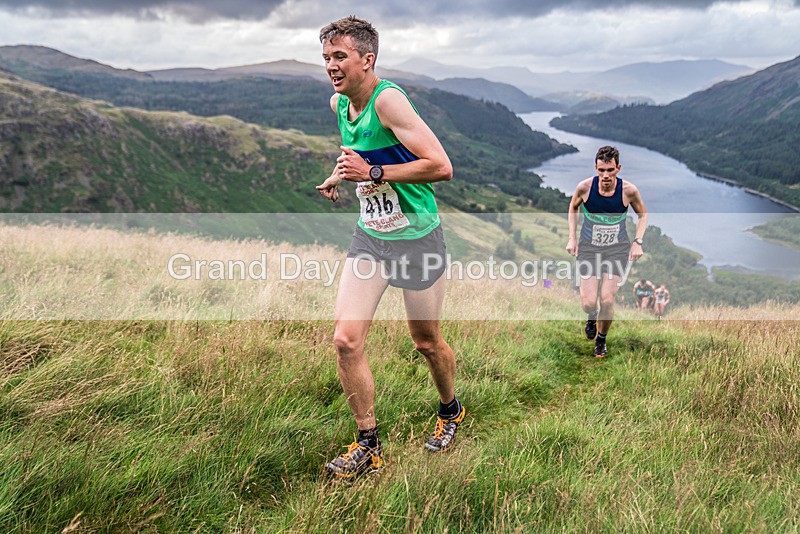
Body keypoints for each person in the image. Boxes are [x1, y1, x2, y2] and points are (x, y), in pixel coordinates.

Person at [315, 16, 464, 479]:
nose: (331, 67)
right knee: (345, 339)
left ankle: (450, 410)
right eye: (326, 58)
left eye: (340, 57)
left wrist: (374, 175)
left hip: (418, 238)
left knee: (425, 342)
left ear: (367, 59)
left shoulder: (389, 101)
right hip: (372, 237)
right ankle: (368, 445)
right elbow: (359, 155)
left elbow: (441, 166)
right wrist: (342, 174)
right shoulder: (340, 103)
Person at [566, 146, 648, 358]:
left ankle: (601, 341)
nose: (605, 175)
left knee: (608, 299)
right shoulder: (585, 187)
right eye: (601, 170)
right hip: (589, 249)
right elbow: (573, 207)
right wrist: (572, 238)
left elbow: (643, 215)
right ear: (596, 167)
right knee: (588, 302)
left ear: (618, 168)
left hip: (616, 250)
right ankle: (592, 315)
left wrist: (637, 241)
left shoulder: (628, 191)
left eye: (610, 170)